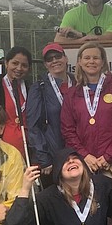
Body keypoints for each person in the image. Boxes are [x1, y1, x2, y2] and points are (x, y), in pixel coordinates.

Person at [60, 42, 112, 188]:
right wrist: (85, 156)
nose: (91, 61)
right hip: (84, 161)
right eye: (87, 58)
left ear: (103, 62)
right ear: (80, 62)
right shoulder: (72, 94)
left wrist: (108, 156)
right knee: (87, 205)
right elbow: (67, 130)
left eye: (96, 58)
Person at [26, 42, 74, 186]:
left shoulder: (78, 82)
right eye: (49, 59)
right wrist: (44, 158)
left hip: (77, 154)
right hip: (53, 156)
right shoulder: (39, 88)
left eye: (58, 56)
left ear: (65, 58)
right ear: (45, 64)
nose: (54, 61)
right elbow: (33, 126)